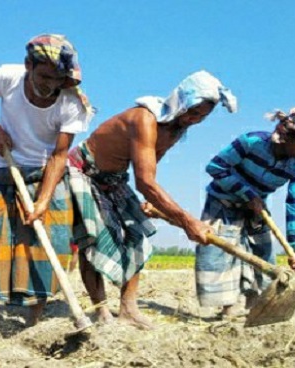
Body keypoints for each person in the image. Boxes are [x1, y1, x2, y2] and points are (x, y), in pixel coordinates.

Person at [68, 70, 237, 329]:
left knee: (136, 234)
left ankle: (128, 308)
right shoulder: (145, 119)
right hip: (83, 171)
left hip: (114, 180)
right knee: (92, 240)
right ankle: (101, 311)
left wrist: (153, 201)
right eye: (193, 113)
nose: (195, 120)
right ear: (181, 102)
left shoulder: (177, 129)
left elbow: (149, 169)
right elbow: (145, 182)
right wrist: (188, 221)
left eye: (202, 117)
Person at [0, 34, 93, 334]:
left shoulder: (71, 104)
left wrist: (42, 201)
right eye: (43, 76)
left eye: (57, 79)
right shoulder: (7, 78)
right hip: (4, 171)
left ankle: (34, 321)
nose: (49, 84)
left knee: (43, 244)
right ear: (28, 65)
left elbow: (59, 155)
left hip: (44, 175)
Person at [195, 107, 295, 317]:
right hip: (223, 202)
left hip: (257, 210)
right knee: (221, 252)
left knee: (262, 253)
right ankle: (229, 306)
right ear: (287, 135)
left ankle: (255, 304)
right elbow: (216, 167)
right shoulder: (251, 142)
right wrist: (247, 194)